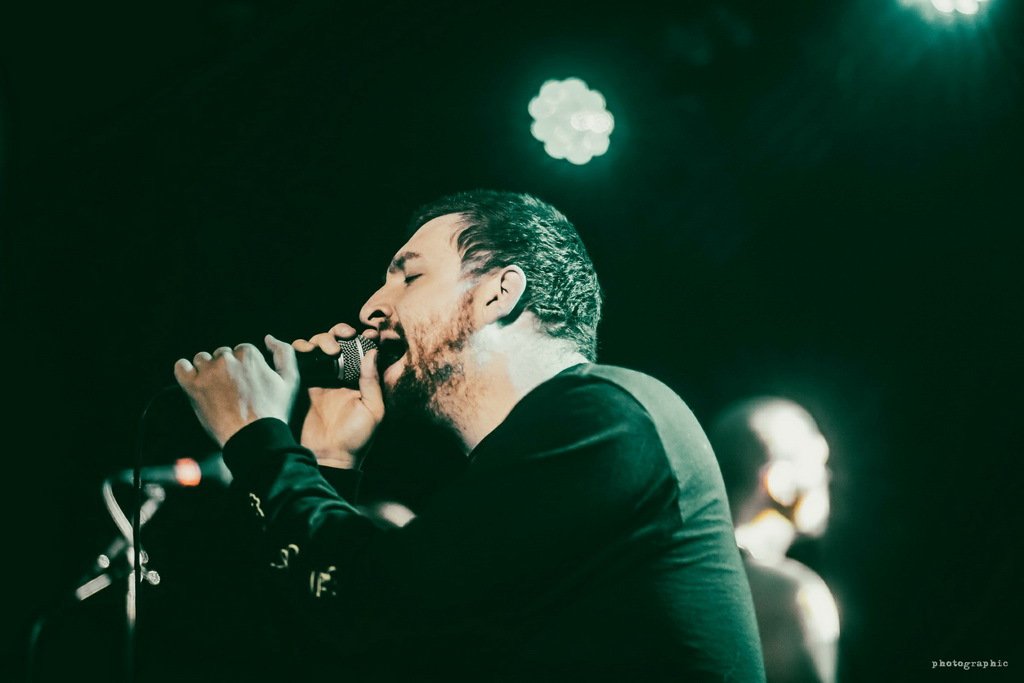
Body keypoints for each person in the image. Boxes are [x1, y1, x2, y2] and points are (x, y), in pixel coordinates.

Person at [174, 190, 765, 681]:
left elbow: (380, 606)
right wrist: (326, 456)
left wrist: (257, 440)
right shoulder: (510, 473)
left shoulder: (608, 416)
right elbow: (354, 650)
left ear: (497, 294)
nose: (372, 307)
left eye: (409, 276)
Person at [709, 397, 840, 683]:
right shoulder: (794, 595)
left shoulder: (689, 576)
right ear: (778, 482)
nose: (827, 475)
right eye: (818, 460)